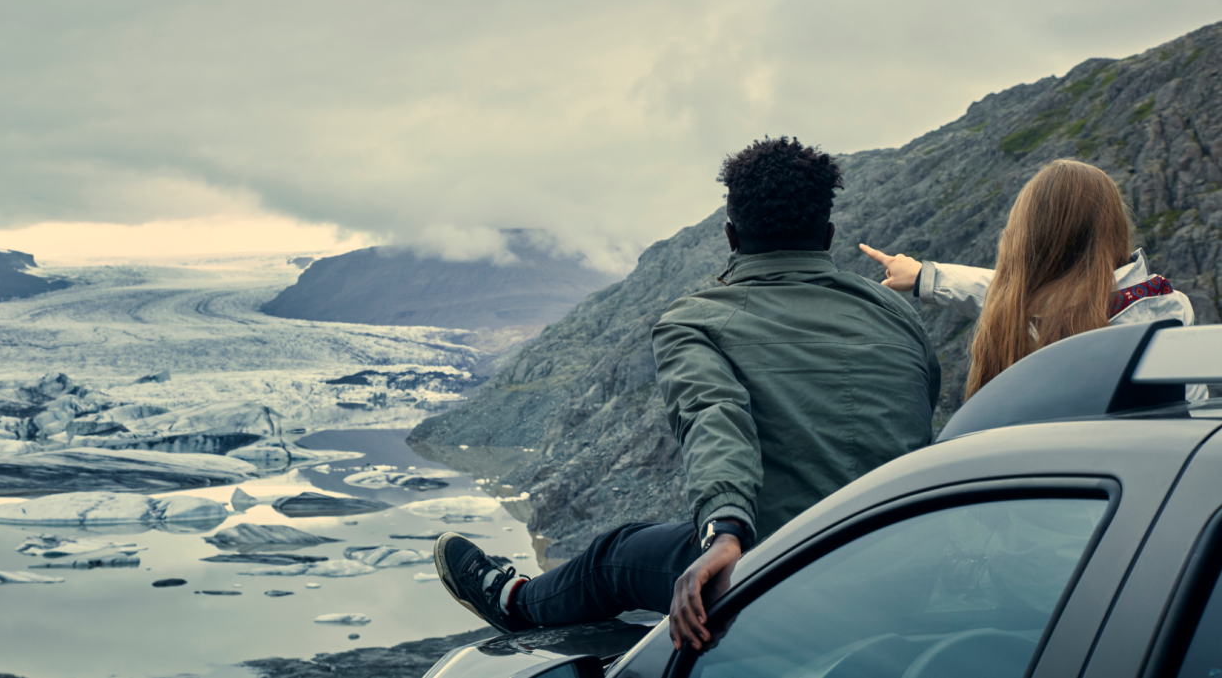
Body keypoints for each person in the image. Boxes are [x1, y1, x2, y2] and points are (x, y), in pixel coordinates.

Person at [434, 137, 942, 652]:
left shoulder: (695, 321)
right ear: (828, 234)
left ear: (730, 234)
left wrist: (726, 533)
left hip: (775, 558)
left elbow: (713, 416)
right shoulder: (898, 314)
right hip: (899, 559)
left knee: (613, 555)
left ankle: (512, 602)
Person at [860, 158, 1205, 403]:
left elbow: (1009, 296)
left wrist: (926, 277)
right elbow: (1015, 295)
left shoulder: (1031, 324)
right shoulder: (1168, 308)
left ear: (1029, 238)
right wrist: (926, 276)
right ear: (1114, 228)